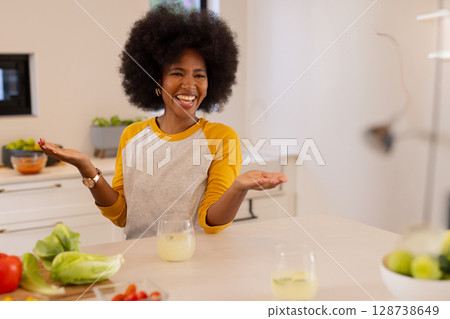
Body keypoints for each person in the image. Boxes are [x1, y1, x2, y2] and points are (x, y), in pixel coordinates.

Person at [39, 3, 287, 240]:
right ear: (157, 81)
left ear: (211, 83)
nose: (189, 85)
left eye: (199, 75)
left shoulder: (221, 138)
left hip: (195, 262)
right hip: (137, 261)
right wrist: (86, 167)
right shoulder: (132, 135)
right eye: (177, 73)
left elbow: (211, 222)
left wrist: (238, 188)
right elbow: (122, 215)